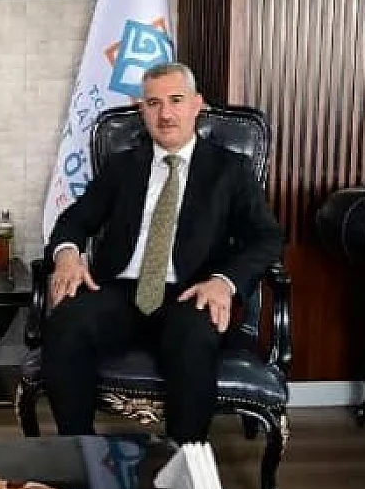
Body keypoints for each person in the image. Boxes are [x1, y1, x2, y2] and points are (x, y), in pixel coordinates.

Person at [42, 62, 284, 441]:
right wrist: (68, 255)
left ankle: (184, 461)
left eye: (176, 100)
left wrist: (224, 282)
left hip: (193, 290)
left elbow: (267, 238)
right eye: (154, 104)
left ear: (196, 104)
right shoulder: (123, 166)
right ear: (142, 110)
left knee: (192, 336)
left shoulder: (229, 170)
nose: (165, 114)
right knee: (65, 323)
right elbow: (75, 219)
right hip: (121, 289)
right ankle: (79, 452)